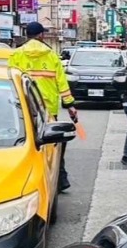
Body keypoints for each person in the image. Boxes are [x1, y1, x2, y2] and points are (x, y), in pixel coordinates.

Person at [8, 21, 78, 192]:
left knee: (27, 144)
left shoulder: (16, 54)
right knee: (52, 144)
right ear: (41, 35)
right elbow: (62, 83)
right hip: (48, 109)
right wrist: (70, 105)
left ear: (27, 35)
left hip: (23, 108)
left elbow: (10, 80)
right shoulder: (51, 55)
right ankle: (59, 179)